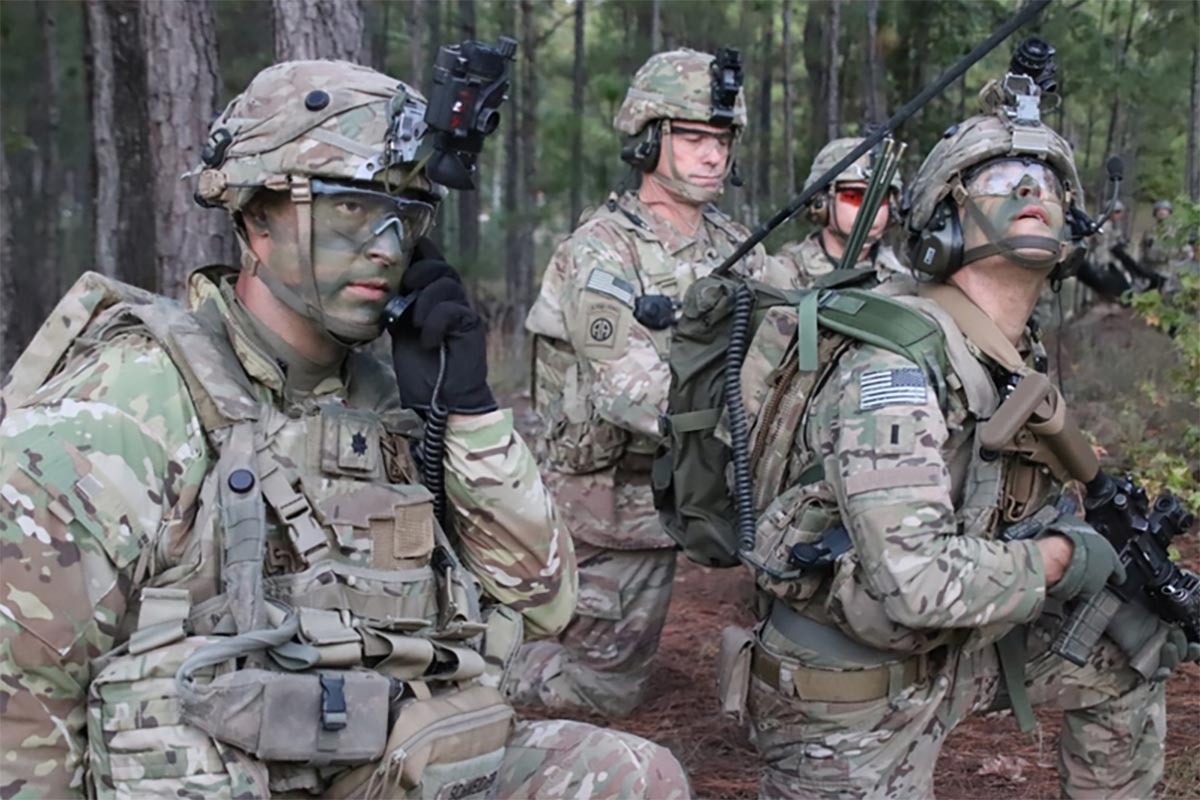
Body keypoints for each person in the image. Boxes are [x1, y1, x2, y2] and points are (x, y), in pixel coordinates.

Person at [0, 60, 689, 799]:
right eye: (352, 210)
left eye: (408, 215)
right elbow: (22, 697)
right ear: (254, 216)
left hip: (375, 763)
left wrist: (466, 410)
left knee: (628, 778)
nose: (388, 247)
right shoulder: (127, 409)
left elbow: (545, 604)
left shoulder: (390, 403)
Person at [737, 73, 1196, 799]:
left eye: (1047, 179)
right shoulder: (897, 364)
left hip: (949, 649)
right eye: (1002, 178)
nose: (1032, 191)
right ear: (944, 221)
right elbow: (914, 583)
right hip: (852, 688)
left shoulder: (1008, 350)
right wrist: (1057, 558)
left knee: (1129, 646)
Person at [514, 47, 773, 717]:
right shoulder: (602, 249)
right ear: (651, 140)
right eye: (692, 138)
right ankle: (491, 664)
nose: (711, 155)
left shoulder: (737, 244)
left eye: (720, 140)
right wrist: (749, 421)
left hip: (718, 488)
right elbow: (626, 388)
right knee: (600, 692)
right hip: (620, 503)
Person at [771, 137, 908, 288]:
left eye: (880, 198)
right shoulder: (785, 274)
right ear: (821, 202)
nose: (870, 208)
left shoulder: (903, 278)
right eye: (854, 196)